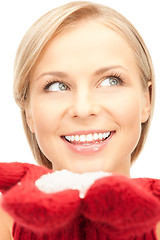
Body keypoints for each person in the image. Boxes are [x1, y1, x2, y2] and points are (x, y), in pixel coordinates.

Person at [0, 1, 159, 239]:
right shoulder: (7, 222)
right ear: (29, 113)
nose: (83, 110)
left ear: (146, 99)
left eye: (110, 81)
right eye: (57, 86)